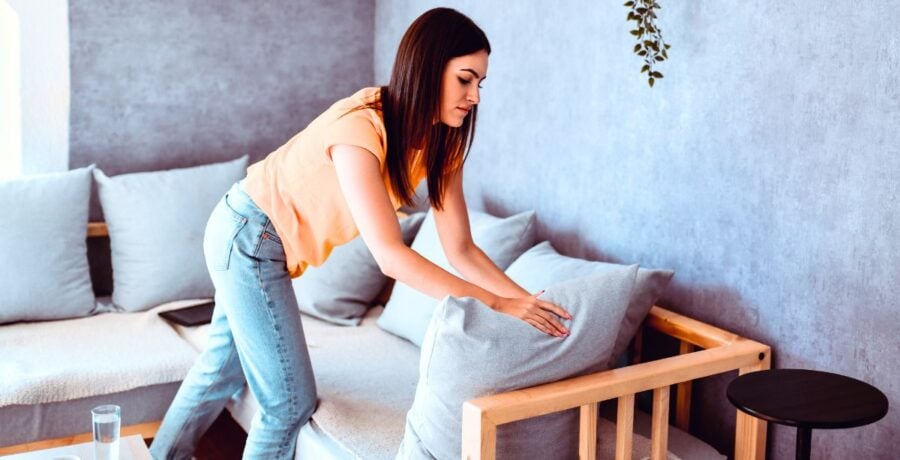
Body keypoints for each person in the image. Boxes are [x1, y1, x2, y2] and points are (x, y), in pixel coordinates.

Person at [149, 7, 571, 460]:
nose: (475, 97)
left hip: (253, 238)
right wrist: (496, 304)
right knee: (288, 406)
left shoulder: (442, 141)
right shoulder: (360, 126)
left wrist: (525, 303)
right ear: (428, 69)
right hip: (249, 237)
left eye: (480, 83)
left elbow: (461, 248)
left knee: (221, 369)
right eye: (465, 80)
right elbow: (391, 255)